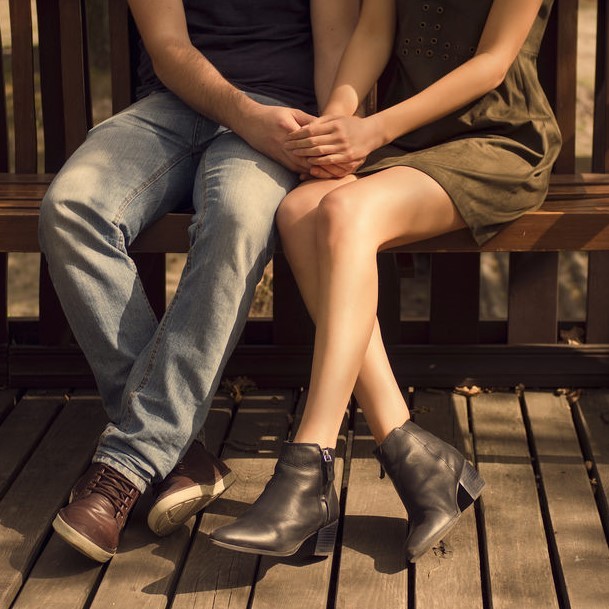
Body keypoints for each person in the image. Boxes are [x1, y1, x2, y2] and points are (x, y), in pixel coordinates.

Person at [210, 0, 561, 562]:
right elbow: (374, 29)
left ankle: (310, 462)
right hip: (415, 143)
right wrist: (337, 123)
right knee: (300, 210)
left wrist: (372, 130)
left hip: (498, 139)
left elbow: (493, 63)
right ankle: (413, 454)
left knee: (347, 213)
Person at [39, 0, 359, 563]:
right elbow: (170, 50)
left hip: (283, 121)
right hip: (173, 107)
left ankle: (127, 466)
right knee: (71, 210)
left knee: (237, 218)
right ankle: (169, 450)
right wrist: (247, 116)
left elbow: (336, 51)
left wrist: (328, 139)